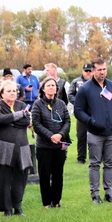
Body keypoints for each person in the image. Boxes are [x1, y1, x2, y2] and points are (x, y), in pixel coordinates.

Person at [74, 58, 112, 204]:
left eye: (104, 69)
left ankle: (109, 193)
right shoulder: (85, 89)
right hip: (95, 133)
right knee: (95, 164)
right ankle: (95, 194)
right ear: (93, 71)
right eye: (99, 70)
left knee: (110, 163)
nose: (102, 72)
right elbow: (78, 111)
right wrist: (91, 121)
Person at [0, 80, 32, 215]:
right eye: (9, 91)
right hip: (4, 147)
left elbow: (26, 121)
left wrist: (10, 120)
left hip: (22, 147)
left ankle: (17, 206)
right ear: (2, 93)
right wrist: (18, 116)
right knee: (4, 179)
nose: (12, 93)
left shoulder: (22, 104)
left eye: (14, 91)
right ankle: (7, 208)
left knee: (21, 178)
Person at [31, 77, 71, 207]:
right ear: (43, 88)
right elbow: (36, 124)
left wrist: (60, 135)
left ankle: (57, 201)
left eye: (53, 85)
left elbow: (67, 121)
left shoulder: (61, 104)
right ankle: (47, 203)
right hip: (44, 146)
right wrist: (50, 136)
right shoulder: (38, 104)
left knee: (58, 174)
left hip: (60, 146)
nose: (51, 88)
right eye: (48, 85)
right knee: (45, 175)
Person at [67, 62, 94, 164]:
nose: (88, 73)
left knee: (95, 136)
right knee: (81, 136)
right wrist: (79, 104)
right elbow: (70, 95)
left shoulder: (97, 82)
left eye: (90, 71)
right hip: (81, 113)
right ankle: (81, 158)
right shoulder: (76, 82)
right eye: (86, 71)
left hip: (94, 113)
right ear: (82, 71)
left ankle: (94, 157)